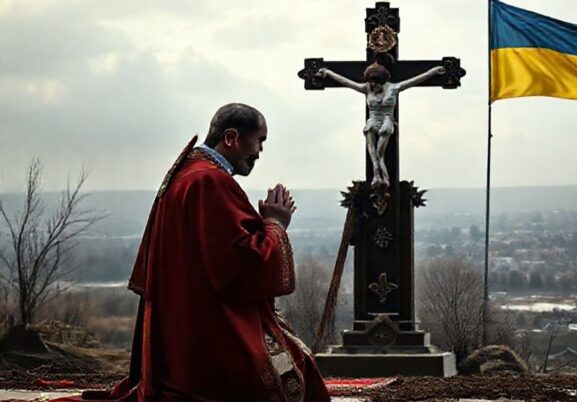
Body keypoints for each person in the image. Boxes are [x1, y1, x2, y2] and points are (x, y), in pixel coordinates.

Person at [107, 103, 330, 402]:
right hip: (212, 335)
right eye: (259, 140)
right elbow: (243, 264)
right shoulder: (211, 182)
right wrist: (276, 223)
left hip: (186, 331)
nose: (260, 151)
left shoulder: (188, 175)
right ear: (231, 138)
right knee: (298, 376)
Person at [317, 62, 445, 191]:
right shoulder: (366, 88)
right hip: (373, 119)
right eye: (371, 82)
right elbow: (347, 82)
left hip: (386, 119)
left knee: (380, 153)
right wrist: (329, 73)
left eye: (375, 83)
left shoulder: (394, 88)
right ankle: (377, 176)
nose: (372, 85)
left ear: (382, 81)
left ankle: (384, 178)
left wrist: (432, 72)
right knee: (372, 145)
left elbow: (414, 80)